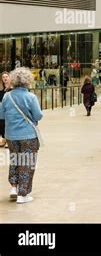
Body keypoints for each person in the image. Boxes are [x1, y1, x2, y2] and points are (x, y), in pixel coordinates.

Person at [0, 68, 43, 204]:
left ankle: (14, 187)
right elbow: (38, 115)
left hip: (11, 136)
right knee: (27, 163)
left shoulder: (7, 96)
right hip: (28, 135)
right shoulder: (31, 97)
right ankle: (22, 195)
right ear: (27, 81)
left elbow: (1, 115)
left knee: (15, 160)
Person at [0, 72, 12, 148]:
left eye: (6, 76)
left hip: (9, 109)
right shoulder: (1, 88)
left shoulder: (12, 88)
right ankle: (4, 139)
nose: (5, 78)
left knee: (8, 124)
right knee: (1, 124)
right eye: (3, 77)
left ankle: (8, 140)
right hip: (1, 109)